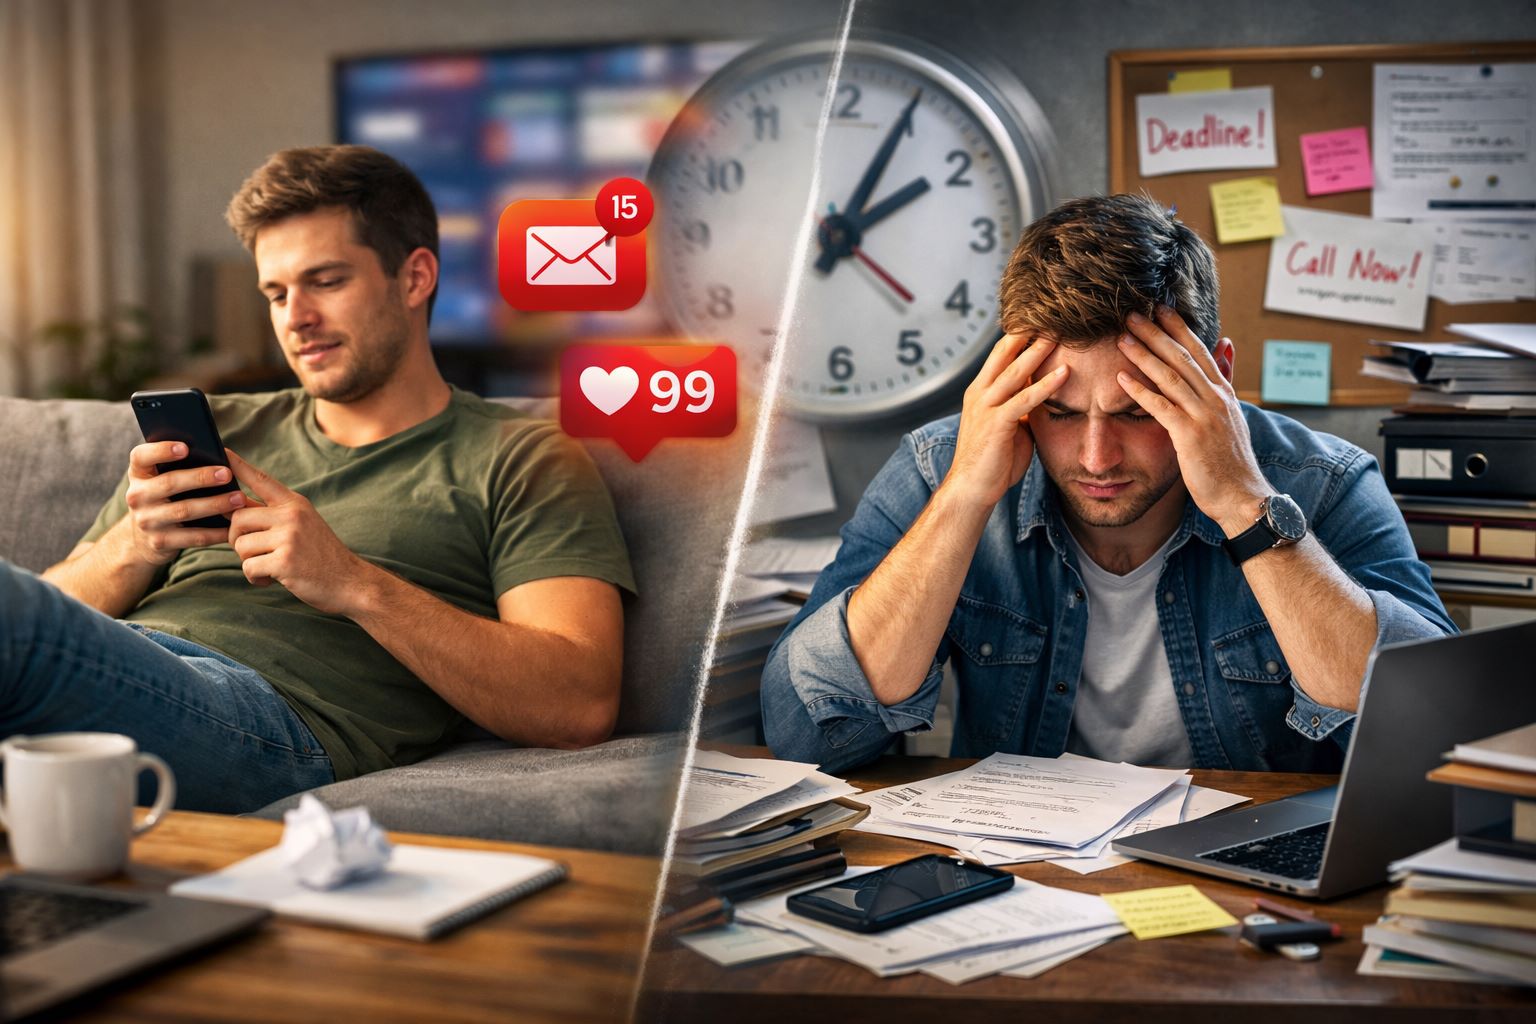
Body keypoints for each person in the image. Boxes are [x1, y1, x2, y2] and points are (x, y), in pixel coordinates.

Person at [4, 145, 634, 812]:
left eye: (326, 282)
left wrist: (350, 582)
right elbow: (51, 614)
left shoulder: (523, 456)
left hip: (269, 722)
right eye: (276, 293)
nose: (294, 318)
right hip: (121, 668)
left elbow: (580, 702)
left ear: (415, 278)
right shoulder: (226, 427)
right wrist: (135, 543)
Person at [762, 193, 1453, 775]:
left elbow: (1434, 732)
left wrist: (1245, 504)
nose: (1095, 456)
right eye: (1059, 413)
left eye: (1136, 410)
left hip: (1247, 888)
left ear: (1217, 375)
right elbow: (803, 736)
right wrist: (965, 497)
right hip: (1022, 880)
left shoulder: (1322, 482)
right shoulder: (940, 469)